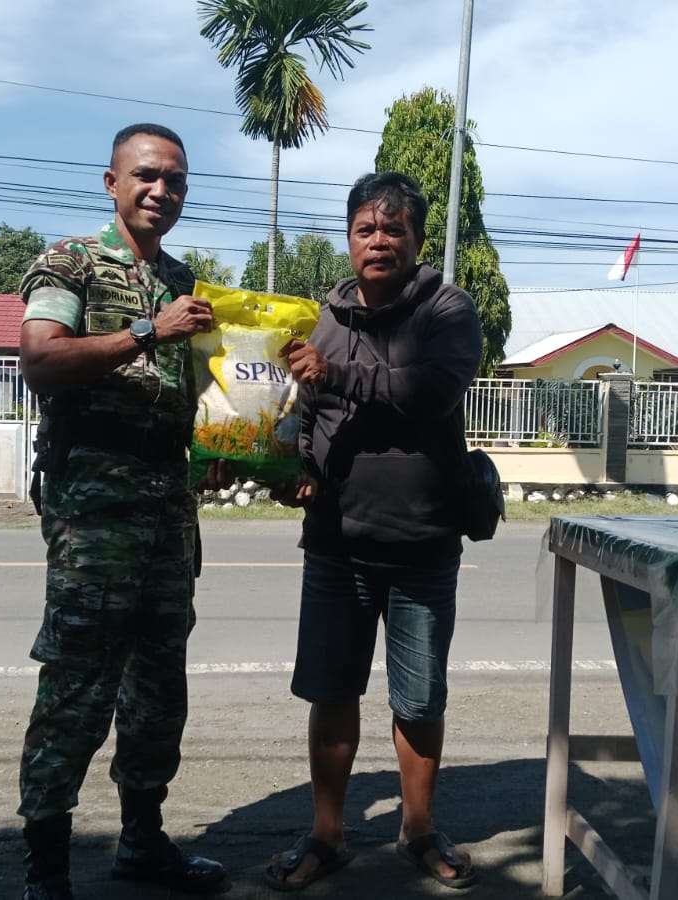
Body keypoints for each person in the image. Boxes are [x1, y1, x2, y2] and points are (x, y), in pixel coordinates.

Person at [15, 122, 228, 900]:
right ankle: (47, 869)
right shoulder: (71, 262)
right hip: (94, 511)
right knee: (77, 687)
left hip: (168, 508)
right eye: (147, 175)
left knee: (158, 691)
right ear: (113, 183)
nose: (161, 190)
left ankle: (142, 842)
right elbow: (41, 357)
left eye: (175, 180)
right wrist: (147, 329)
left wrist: (224, 446)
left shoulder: (184, 280)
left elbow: (197, 390)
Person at [265, 171, 485, 891]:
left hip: (423, 541)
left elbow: (431, 392)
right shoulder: (323, 316)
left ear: (417, 239)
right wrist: (298, 464)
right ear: (349, 237)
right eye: (366, 228)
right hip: (336, 541)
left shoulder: (447, 309)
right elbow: (305, 411)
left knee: (418, 700)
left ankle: (418, 830)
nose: (380, 240)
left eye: (394, 228)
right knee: (332, 693)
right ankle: (327, 835)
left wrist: (334, 372)